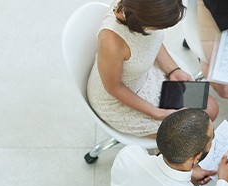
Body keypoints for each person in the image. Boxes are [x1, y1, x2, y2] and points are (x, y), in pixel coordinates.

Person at [87, 0, 218, 138]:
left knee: (211, 108)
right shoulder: (112, 42)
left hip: (146, 74)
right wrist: (156, 113)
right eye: (159, 26)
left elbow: (152, 41)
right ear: (145, 21)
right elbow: (113, 87)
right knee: (194, 133)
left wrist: (173, 70)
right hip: (118, 99)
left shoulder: (139, 9)